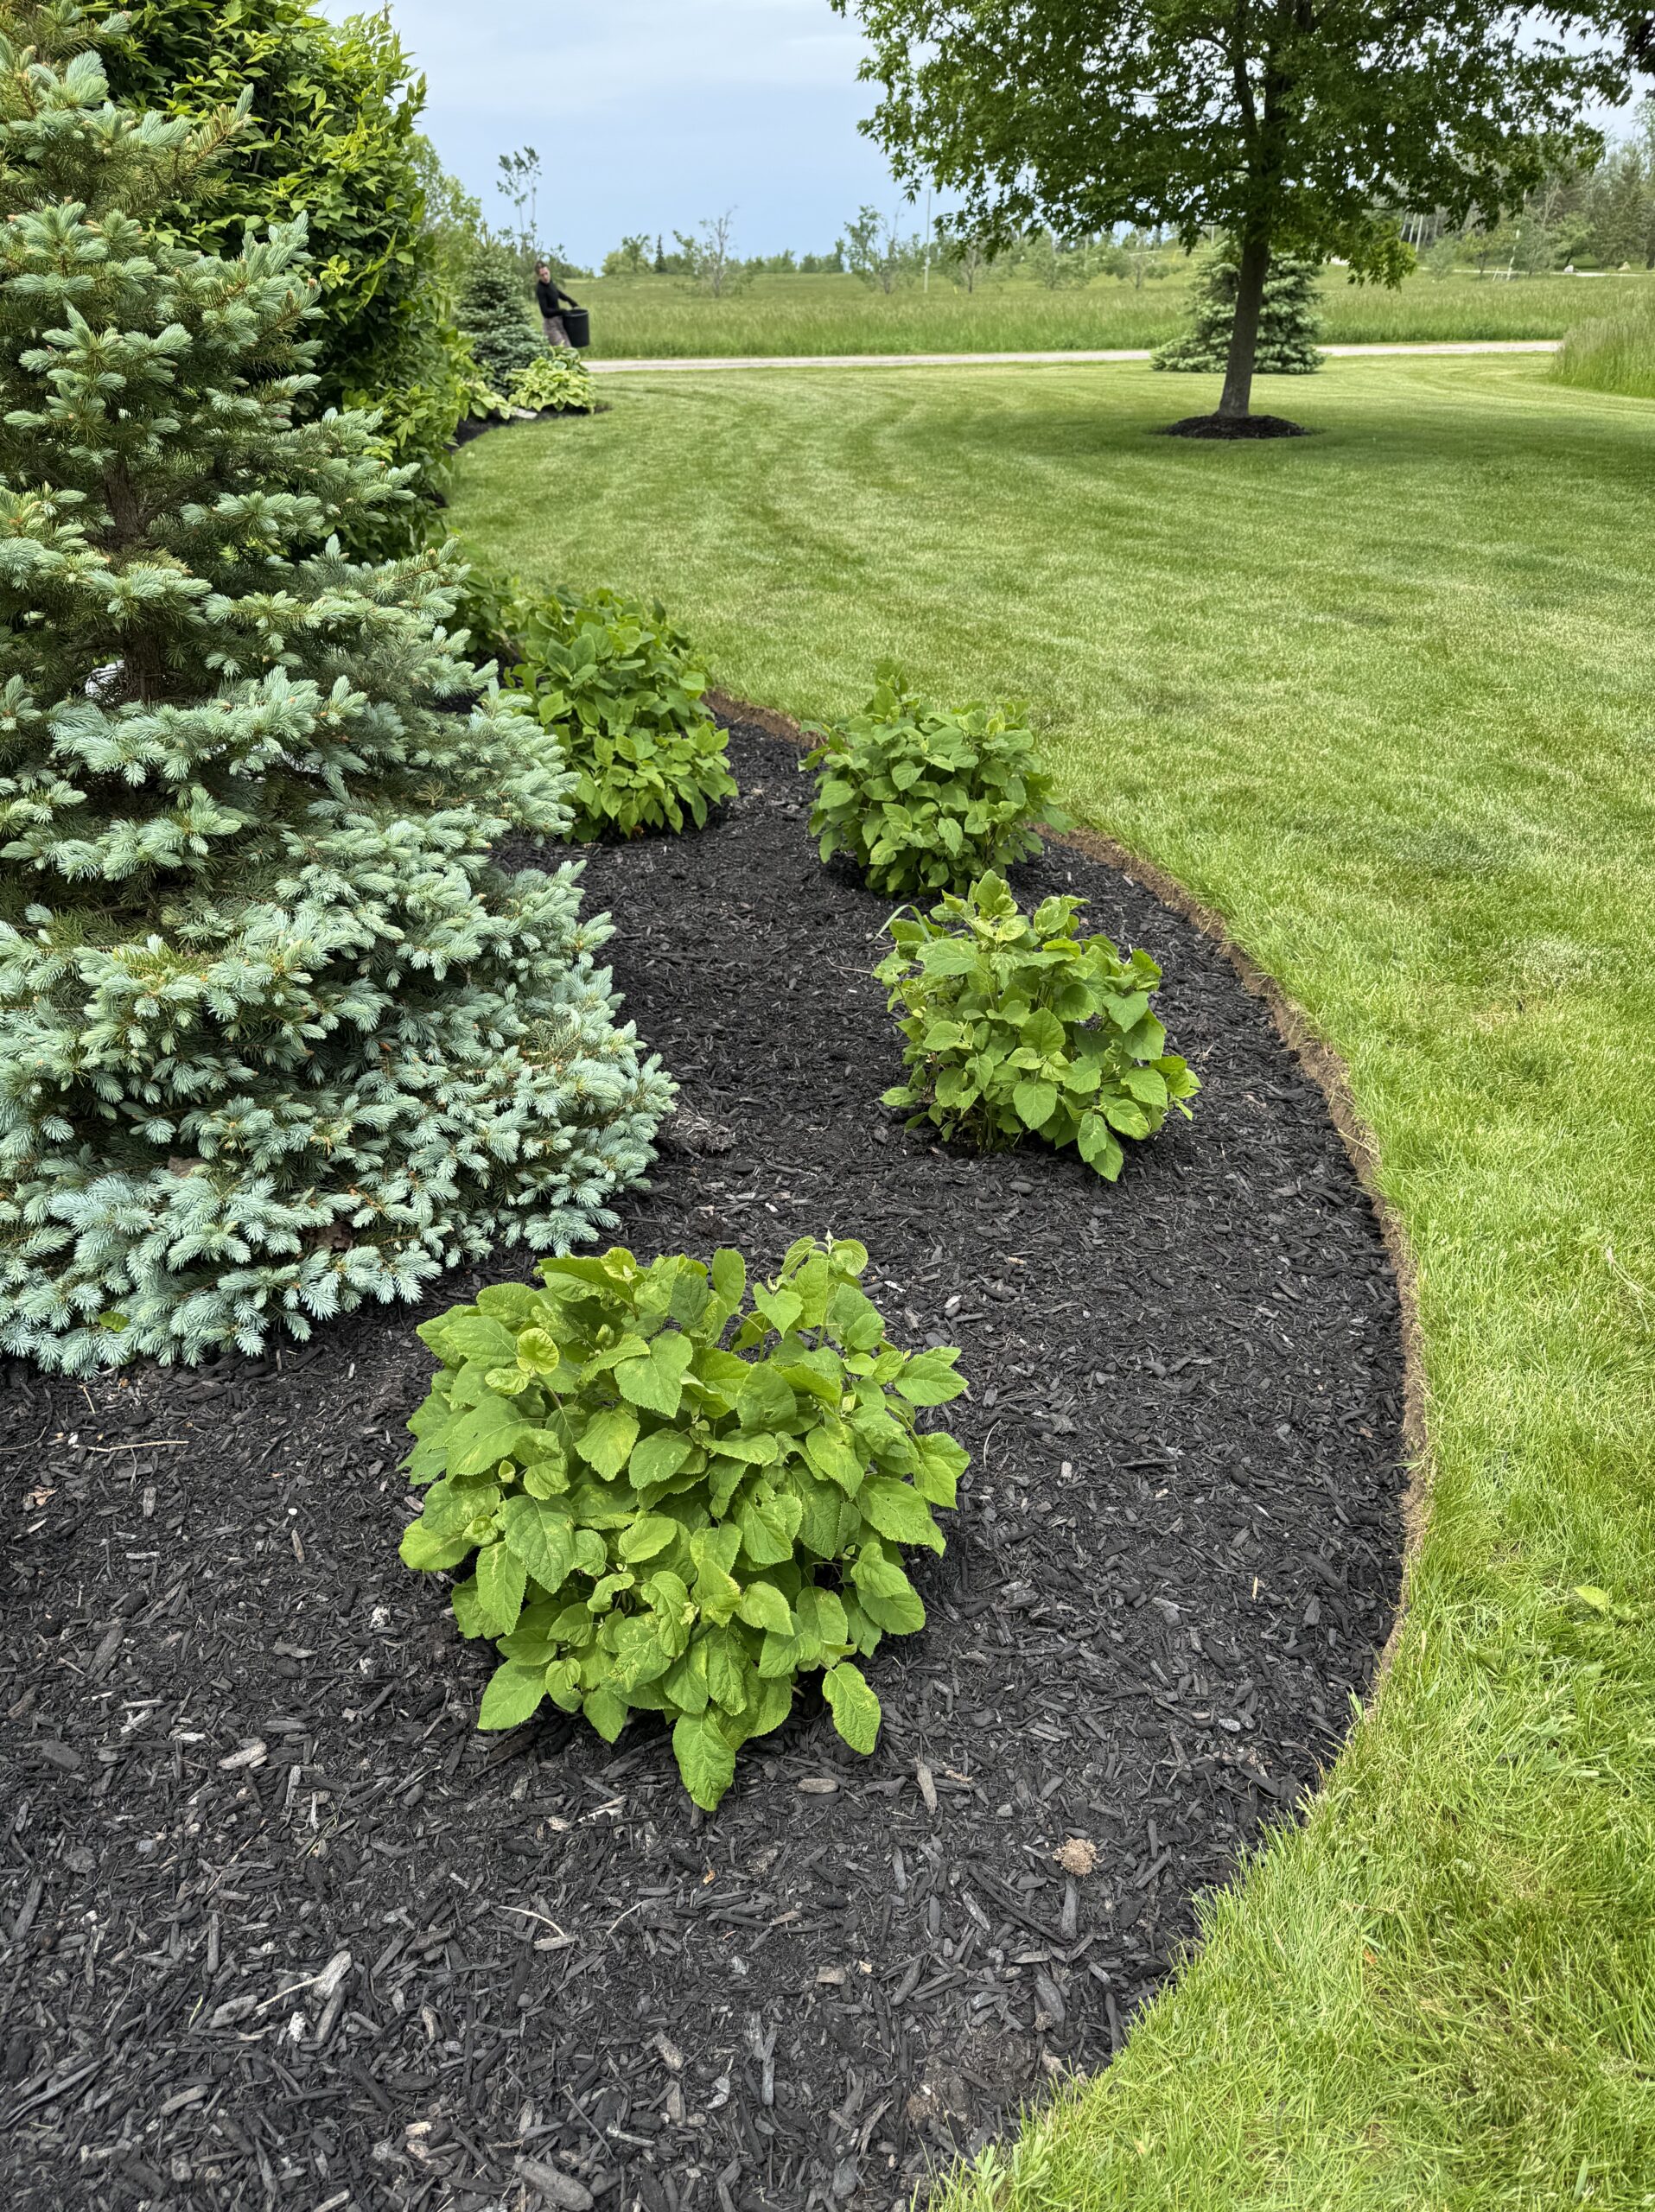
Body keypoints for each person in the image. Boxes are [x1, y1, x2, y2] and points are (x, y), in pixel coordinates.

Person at [535, 262, 580, 346]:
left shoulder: (549, 282)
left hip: (559, 321)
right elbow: (545, 311)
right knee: (562, 350)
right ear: (538, 276)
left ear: (549, 271)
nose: (545, 277)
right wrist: (561, 311)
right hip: (550, 325)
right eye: (542, 275)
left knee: (569, 348)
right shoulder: (540, 289)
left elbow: (556, 292)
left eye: (546, 273)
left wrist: (570, 301)